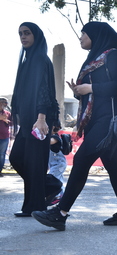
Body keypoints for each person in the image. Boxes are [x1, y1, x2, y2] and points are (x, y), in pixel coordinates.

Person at [32, 22, 117, 231]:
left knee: (81, 159)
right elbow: (94, 91)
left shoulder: (112, 55)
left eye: (84, 33)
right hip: (95, 119)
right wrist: (79, 91)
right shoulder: (94, 59)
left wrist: (91, 87)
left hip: (110, 118)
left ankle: (60, 213)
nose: (81, 37)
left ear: (96, 35)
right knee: (113, 164)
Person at [9, 22, 59, 217]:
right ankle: (48, 187)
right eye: (20, 33)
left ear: (36, 35)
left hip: (38, 121)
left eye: (27, 33)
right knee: (18, 158)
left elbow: (43, 90)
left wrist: (41, 118)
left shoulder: (39, 59)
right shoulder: (27, 61)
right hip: (28, 121)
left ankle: (35, 206)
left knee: (34, 163)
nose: (23, 37)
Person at [47, 120, 67, 206]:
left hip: (59, 164)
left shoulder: (55, 138)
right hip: (54, 164)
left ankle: (58, 195)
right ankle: (62, 195)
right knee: (58, 179)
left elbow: (48, 142)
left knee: (52, 179)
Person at [0, 97, 12, 177]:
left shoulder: (7, 113)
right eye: (3, 102)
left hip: (4, 137)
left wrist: (6, 121)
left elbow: (12, 123)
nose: (5, 104)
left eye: (6, 103)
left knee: (2, 154)